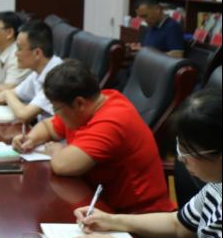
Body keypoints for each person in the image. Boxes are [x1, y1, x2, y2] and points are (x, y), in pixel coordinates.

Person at [72, 88, 221, 238]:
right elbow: (178, 225)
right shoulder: (217, 183)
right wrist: (113, 221)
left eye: (188, 152)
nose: (181, 159)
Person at [12, 60, 174, 214]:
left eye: (57, 109)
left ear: (79, 103)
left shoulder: (112, 120)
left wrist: (57, 151)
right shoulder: (88, 107)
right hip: (102, 207)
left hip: (137, 217)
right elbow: (47, 126)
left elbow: (63, 165)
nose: (56, 114)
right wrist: (30, 139)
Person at [0, 20, 62, 122]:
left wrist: (7, 94)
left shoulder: (57, 76)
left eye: (19, 49)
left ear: (37, 53)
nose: (15, 54)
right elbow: (15, 93)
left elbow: (24, 115)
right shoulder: (38, 72)